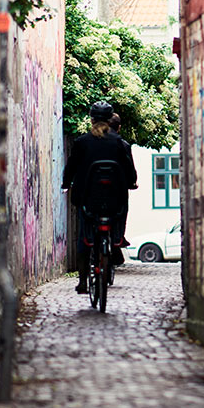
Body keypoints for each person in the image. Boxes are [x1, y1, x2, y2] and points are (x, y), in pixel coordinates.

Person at [62, 101, 137, 294]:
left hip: (88, 199)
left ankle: (82, 281)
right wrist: (131, 183)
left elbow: (71, 168)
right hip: (114, 200)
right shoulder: (120, 143)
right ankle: (116, 239)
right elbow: (129, 170)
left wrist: (65, 183)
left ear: (92, 119)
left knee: (84, 235)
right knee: (118, 214)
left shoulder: (81, 142)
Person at [107, 113, 133, 248]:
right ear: (119, 127)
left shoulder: (87, 141)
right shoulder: (123, 145)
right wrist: (132, 182)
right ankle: (118, 237)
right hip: (117, 190)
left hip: (93, 191)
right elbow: (129, 168)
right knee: (122, 210)